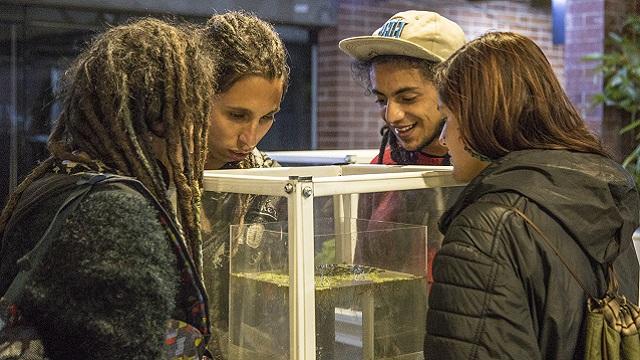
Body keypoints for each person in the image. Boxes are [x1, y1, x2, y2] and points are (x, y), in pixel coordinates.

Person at [0, 19, 217, 359]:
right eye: (196, 114)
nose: (198, 135)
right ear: (161, 120)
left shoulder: (57, 181)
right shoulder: (119, 218)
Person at [426, 31, 640, 359]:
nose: (443, 139)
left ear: (477, 123)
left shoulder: (486, 230)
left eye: (448, 119)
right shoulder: (604, 200)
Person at [338, 11, 466, 281]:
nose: (392, 115)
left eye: (407, 97)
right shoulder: (380, 168)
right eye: (382, 100)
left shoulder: (484, 169)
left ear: (453, 90)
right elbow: (363, 274)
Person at [197, 10, 289, 358]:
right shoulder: (146, 176)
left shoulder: (269, 182)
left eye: (266, 118)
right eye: (237, 115)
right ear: (197, 96)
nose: (250, 137)